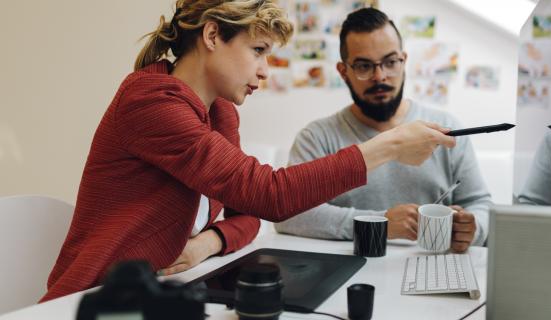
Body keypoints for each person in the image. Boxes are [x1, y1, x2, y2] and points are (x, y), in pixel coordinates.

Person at [41, 0, 456, 302]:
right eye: (258, 51)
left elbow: (248, 214)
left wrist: (207, 243)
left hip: (166, 289)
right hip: (95, 300)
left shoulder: (220, 111)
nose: (263, 70)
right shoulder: (151, 103)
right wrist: (387, 147)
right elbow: (269, 195)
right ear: (211, 35)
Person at [275, 8, 492, 251]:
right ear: (343, 71)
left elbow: (479, 203)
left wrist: (473, 229)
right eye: (364, 66)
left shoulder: (446, 129)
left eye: (390, 62)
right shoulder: (316, 137)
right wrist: (380, 223)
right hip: (349, 272)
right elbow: (289, 215)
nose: (380, 77)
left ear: (404, 60)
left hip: (433, 270)